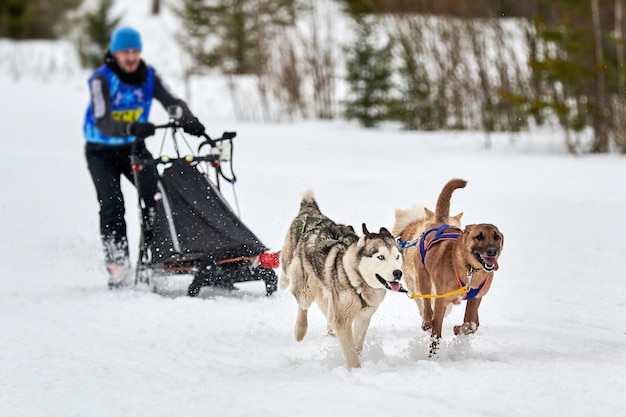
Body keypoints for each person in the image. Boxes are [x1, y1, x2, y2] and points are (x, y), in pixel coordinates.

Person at [83, 26, 206, 288]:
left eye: (135, 51)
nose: (130, 57)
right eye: (125, 52)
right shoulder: (101, 79)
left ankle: (156, 256)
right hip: (101, 151)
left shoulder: (148, 76)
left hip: (134, 148)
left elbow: (170, 101)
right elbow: (102, 119)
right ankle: (117, 264)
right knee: (113, 205)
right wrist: (129, 127)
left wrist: (188, 120)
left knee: (155, 198)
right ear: (115, 53)